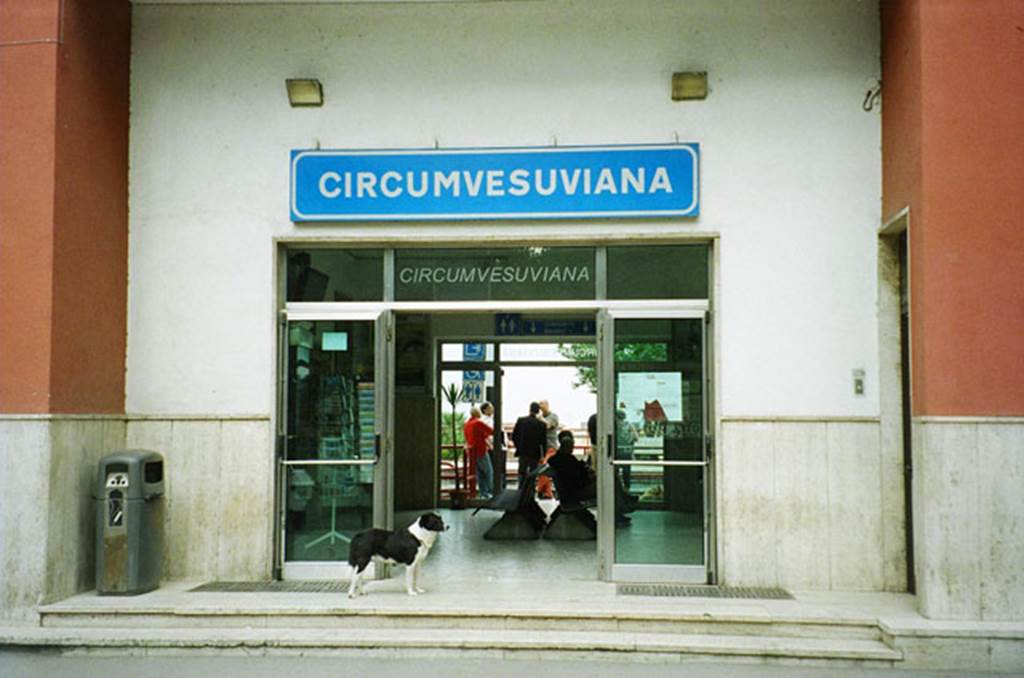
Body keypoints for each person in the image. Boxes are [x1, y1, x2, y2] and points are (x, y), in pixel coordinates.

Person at [510, 401, 547, 489]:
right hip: (535, 453)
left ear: (529, 409)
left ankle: (520, 492)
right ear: (538, 411)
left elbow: (514, 436)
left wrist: (518, 446)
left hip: (522, 451)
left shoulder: (521, 421)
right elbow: (543, 442)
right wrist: (543, 455)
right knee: (532, 475)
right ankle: (530, 492)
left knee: (522, 473)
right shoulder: (541, 425)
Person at [463, 405, 494, 500]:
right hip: (481, 450)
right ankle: (490, 491)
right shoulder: (478, 423)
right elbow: (491, 431)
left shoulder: (467, 424)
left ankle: (482, 492)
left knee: (480, 473)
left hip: (472, 452)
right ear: (478, 413)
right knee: (488, 471)